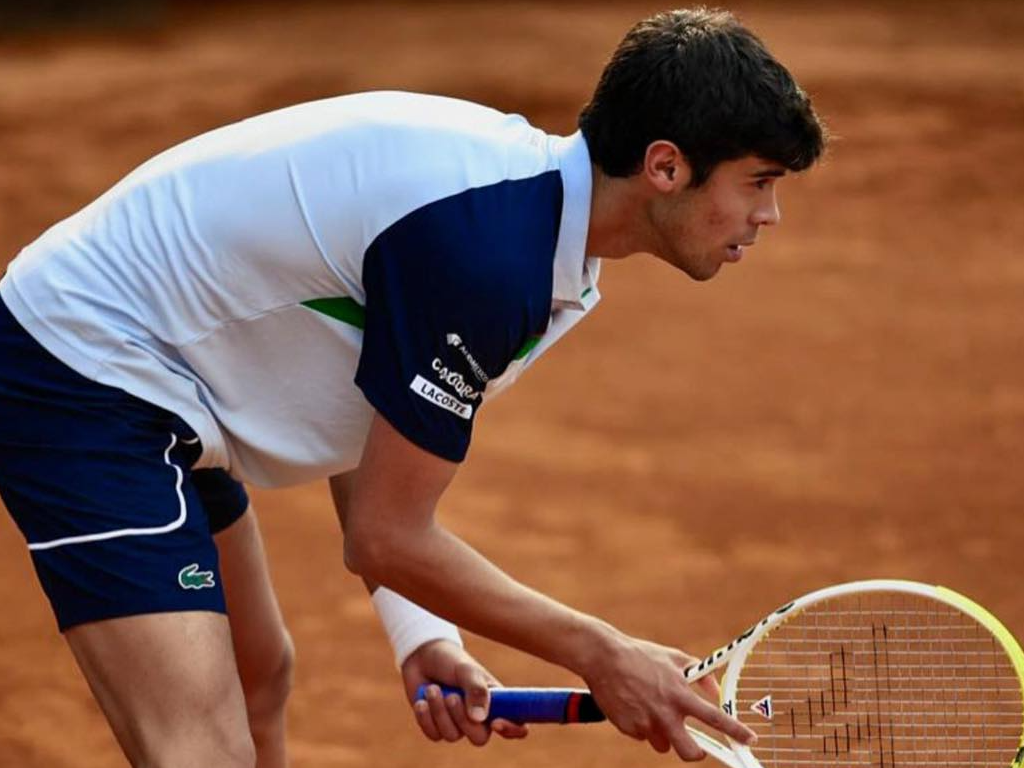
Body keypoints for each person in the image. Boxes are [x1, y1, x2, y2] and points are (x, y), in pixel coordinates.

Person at [0, 7, 826, 767]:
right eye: (758, 181)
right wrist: (604, 653)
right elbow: (386, 537)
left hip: (171, 377)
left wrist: (418, 634)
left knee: (261, 679)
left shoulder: (528, 226)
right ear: (666, 167)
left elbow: (366, 407)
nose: (769, 216)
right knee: (199, 749)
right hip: (83, 372)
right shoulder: (488, 258)